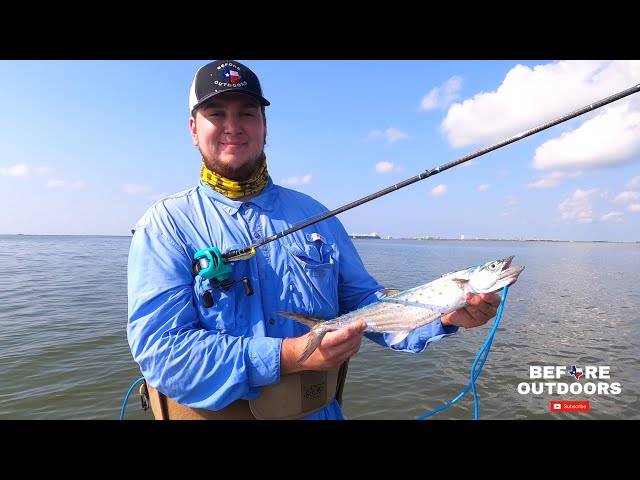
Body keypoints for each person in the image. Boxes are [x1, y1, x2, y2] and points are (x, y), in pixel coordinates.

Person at [126, 60, 503, 420]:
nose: (233, 126)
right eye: (216, 113)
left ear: (264, 125)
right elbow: (163, 353)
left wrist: (443, 315)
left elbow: (363, 302)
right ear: (193, 129)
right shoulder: (165, 225)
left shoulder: (316, 215)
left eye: (247, 112)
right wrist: (289, 356)